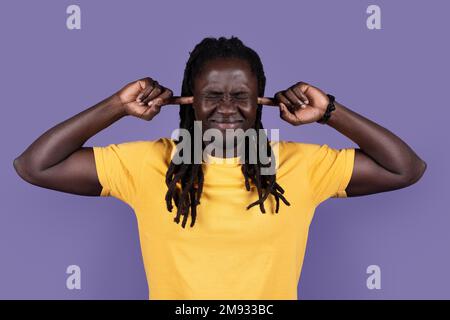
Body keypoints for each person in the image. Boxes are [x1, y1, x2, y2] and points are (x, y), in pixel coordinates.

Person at [13, 36, 426, 300]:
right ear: (188, 101)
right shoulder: (144, 163)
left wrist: (329, 112)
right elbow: (36, 165)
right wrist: (116, 107)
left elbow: (404, 169)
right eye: (211, 94)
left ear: (261, 102)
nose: (226, 108)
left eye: (241, 95)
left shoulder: (301, 165)